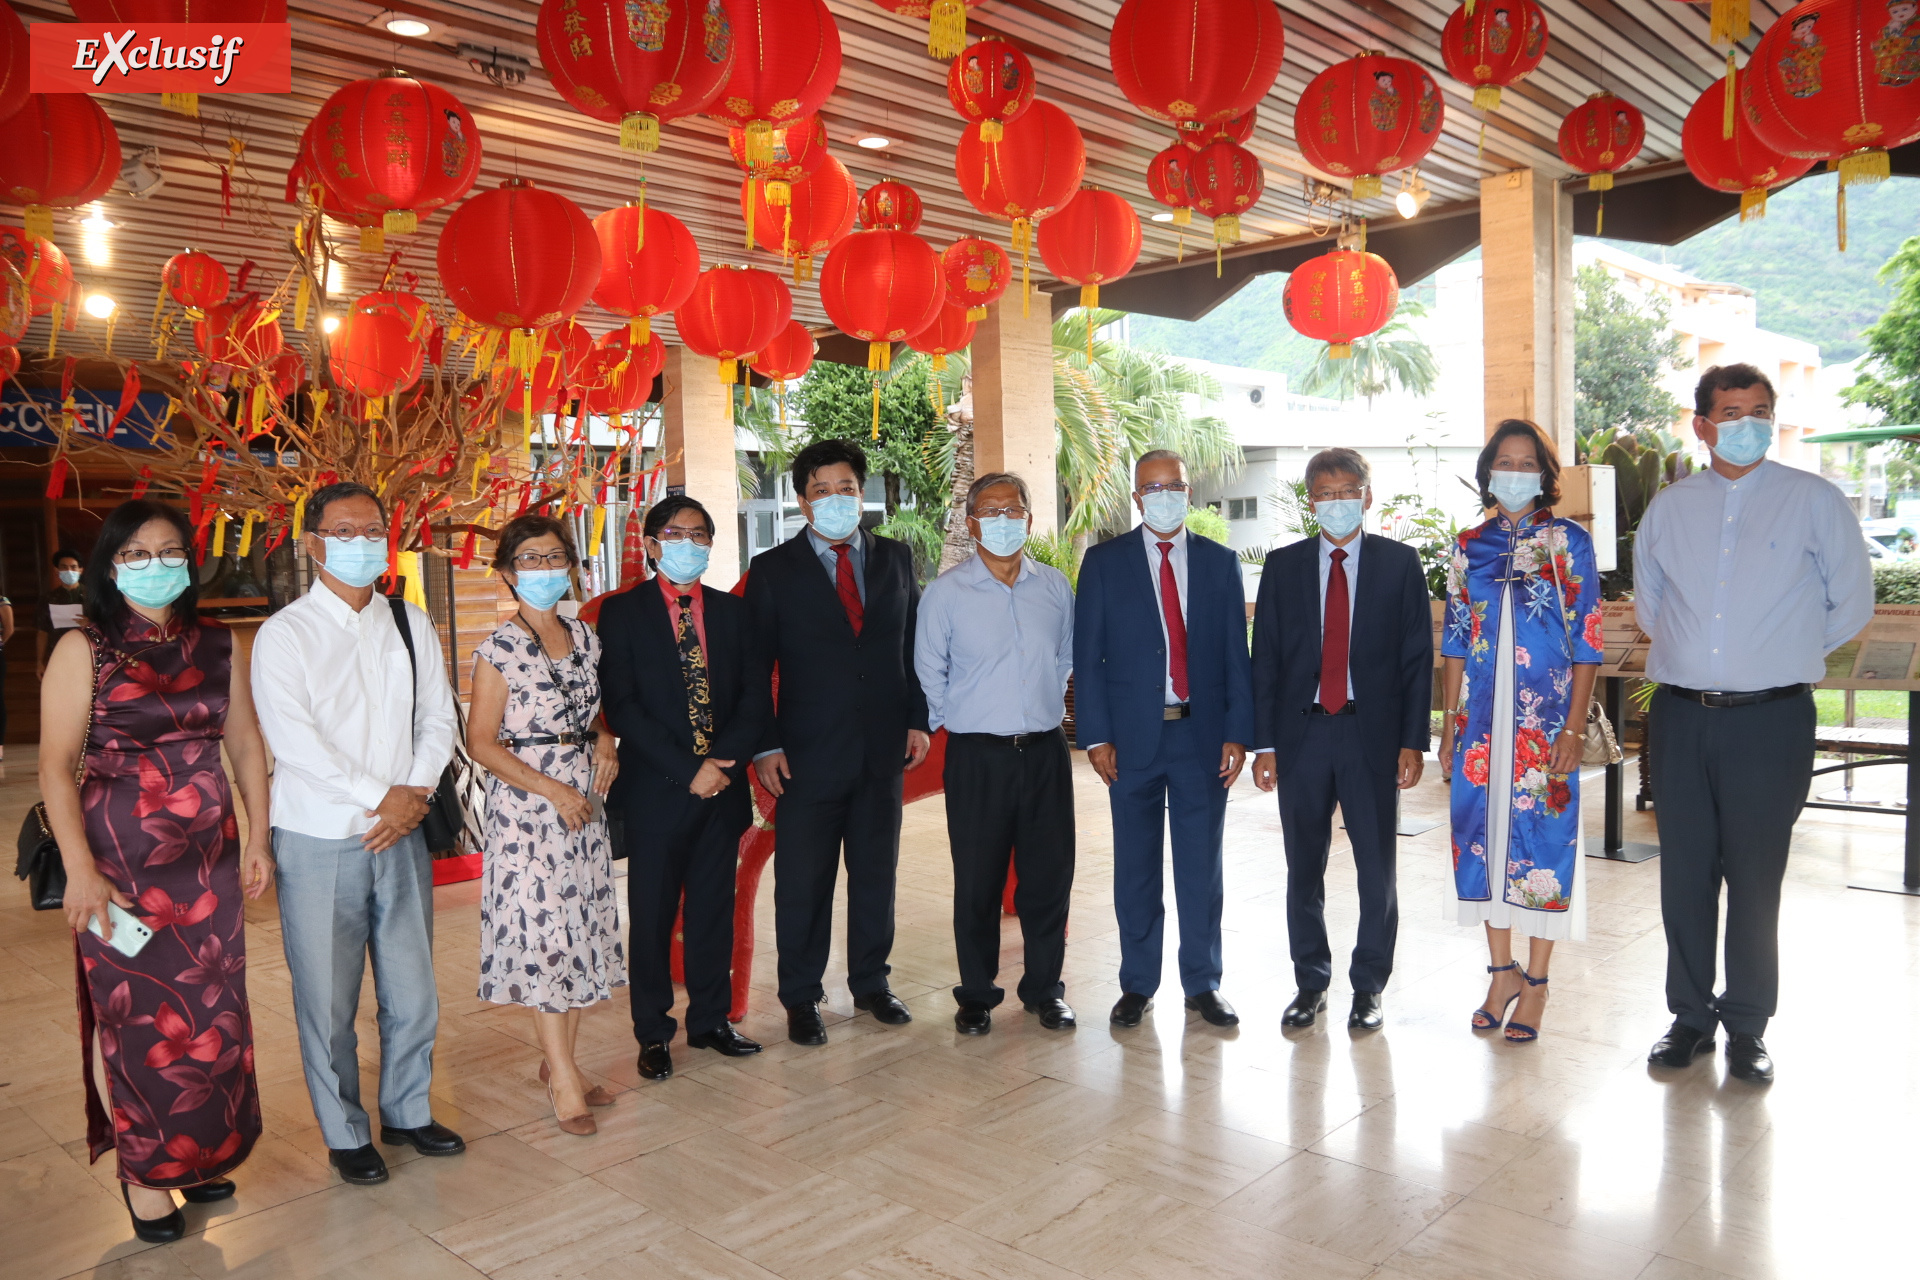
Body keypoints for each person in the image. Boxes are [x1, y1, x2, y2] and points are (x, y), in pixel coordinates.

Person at [39, 500, 273, 1243]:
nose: (156, 564)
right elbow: (52, 765)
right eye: (136, 553)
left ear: (191, 560)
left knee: (213, 1021)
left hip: (207, 865)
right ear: (111, 565)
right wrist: (80, 869)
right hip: (121, 863)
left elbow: (243, 745)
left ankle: (195, 1156)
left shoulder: (215, 641)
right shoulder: (86, 648)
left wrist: (260, 839)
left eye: (170, 551)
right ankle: (145, 1174)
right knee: (139, 1019)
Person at [1636, 364, 1872, 1083]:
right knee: (1684, 876)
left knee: (1756, 877)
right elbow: (1652, 609)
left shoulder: (1814, 501)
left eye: (1761, 411)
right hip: (1680, 718)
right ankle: (1688, 1017)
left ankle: (1746, 1025)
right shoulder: (1670, 509)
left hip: (1771, 723)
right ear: (1701, 423)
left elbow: (1852, 604)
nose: (1749, 423)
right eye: (1732, 412)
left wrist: (1777, 651)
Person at [250, 481, 464, 1184]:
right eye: (343, 531)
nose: (361, 542)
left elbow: (439, 719)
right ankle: (346, 1133)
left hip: (399, 832)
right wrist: (384, 800)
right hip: (319, 839)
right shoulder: (284, 635)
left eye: (372, 530)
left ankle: (406, 1110)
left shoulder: (409, 623)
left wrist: (414, 797)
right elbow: (296, 742)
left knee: (412, 988)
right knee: (328, 998)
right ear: (313, 544)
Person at [747, 439, 931, 1046]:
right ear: (803, 501)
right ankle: (802, 996)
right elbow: (754, 668)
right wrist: (765, 745)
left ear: (862, 494)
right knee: (804, 881)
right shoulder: (773, 570)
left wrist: (917, 718)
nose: (834, 500)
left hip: (882, 753)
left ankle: (871, 983)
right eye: (820, 490)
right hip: (803, 757)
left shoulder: (895, 560)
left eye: (845, 488)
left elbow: (912, 650)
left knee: (876, 874)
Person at [1250, 448, 1432, 1032]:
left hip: (1370, 736)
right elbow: (1267, 659)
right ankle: (1311, 981)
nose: (1336, 502)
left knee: (1376, 869)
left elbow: (1415, 659)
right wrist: (1265, 745)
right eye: (1325, 494)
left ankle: (1369, 985)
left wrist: (1412, 740)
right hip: (1301, 735)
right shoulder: (1283, 567)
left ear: (1367, 497)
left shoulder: (1399, 564)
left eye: (1347, 490)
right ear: (1310, 502)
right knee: (1303, 865)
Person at [1075, 450, 1252, 1028]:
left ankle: (1202, 982)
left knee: (1202, 867)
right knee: (1136, 869)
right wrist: (1096, 734)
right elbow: (1090, 658)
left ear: (1188, 491)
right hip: (1129, 744)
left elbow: (1235, 656)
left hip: (1201, 739)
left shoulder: (1220, 564)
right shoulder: (1103, 563)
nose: (1163, 495)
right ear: (1136, 498)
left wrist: (1237, 732)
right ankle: (1137, 983)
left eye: (1173, 485)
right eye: (1151, 488)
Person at [1439, 423, 1602, 1042]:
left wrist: (1573, 725)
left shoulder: (1569, 543)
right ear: (1488, 470)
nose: (1513, 471)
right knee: (1482, 838)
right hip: (1481, 723)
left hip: (1543, 721)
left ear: (1543, 473)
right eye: (1503, 461)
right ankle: (1500, 971)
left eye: (1525, 462)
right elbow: (1455, 638)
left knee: (1541, 842)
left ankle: (1536, 983)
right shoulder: (1469, 544)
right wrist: (1450, 725)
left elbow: (1587, 640)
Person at [599, 495, 769, 1081]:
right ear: (651, 545)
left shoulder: (733, 613)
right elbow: (623, 706)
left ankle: (711, 1022)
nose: (688, 544)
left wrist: (724, 761)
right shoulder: (621, 615)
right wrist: (685, 768)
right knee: (648, 916)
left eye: (699, 535)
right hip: (656, 791)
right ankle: (653, 1032)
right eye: (675, 533)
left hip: (722, 791)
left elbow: (754, 697)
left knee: (712, 912)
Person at [465, 514, 625, 1132]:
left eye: (554, 557)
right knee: (547, 941)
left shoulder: (585, 638)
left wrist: (605, 739)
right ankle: (562, 1078)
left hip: (584, 805)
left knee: (581, 931)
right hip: (531, 813)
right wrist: (551, 788)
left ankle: (565, 1062)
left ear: (572, 567)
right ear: (507, 573)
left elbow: (588, 715)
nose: (544, 569)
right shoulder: (497, 651)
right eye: (528, 559)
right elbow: (482, 742)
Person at [916, 472, 1077, 1036]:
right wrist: (967, 719)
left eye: (1014, 510)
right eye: (990, 510)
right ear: (970, 521)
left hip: (1045, 755)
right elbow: (929, 673)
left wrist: (1034, 710)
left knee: (1048, 878)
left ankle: (1044, 991)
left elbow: (1063, 661)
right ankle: (977, 994)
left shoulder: (1055, 588)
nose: (1003, 520)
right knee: (978, 881)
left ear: (1030, 518)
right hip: (978, 759)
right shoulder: (946, 594)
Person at [38, 548, 87, 679]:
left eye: (73, 567)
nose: (69, 571)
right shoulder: (49, 598)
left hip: (87, 654)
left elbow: (109, 625)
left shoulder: (93, 596)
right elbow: (43, 631)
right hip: (57, 654)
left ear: (80, 570)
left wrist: (90, 623)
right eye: (64, 567)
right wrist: (39, 661)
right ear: (56, 571)